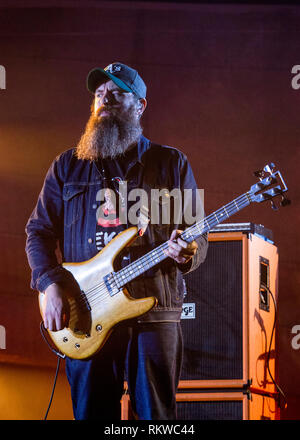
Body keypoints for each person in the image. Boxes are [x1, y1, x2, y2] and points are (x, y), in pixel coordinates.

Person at [25, 62, 208, 420]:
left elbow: (197, 234)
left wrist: (188, 252)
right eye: (99, 94)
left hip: (154, 313)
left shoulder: (170, 163)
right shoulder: (67, 165)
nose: (105, 98)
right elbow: (39, 232)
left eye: (117, 92)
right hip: (87, 310)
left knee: (156, 419)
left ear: (139, 105)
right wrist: (49, 285)